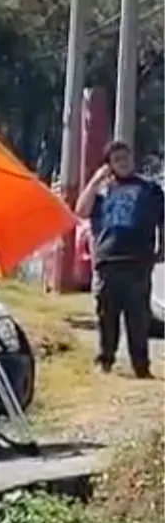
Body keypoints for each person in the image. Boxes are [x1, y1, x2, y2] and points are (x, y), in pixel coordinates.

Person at [75, 140, 164, 378]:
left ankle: (141, 365)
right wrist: (95, 180)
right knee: (106, 316)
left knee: (138, 317)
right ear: (109, 164)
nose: (122, 163)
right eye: (116, 160)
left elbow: (162, 220)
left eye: (125, 158)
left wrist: (160, 250)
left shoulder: (149, 189)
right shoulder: (102, 191)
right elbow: (81, 211)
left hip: (138, 261)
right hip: (107, 261)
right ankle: (105, 359)